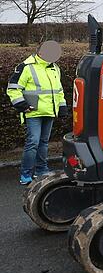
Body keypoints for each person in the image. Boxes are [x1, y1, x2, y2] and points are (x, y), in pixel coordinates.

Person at [6, 40, 67, 185]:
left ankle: (41, 170)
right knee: (33, 142)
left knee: (43, 142)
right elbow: (13, 88)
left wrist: (62, 106)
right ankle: (26, 174)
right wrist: (22, 105)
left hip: (49, 112)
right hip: (33, 112)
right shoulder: (26, 67)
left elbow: (59, 90)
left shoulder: (55, 68)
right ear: (40, 52)